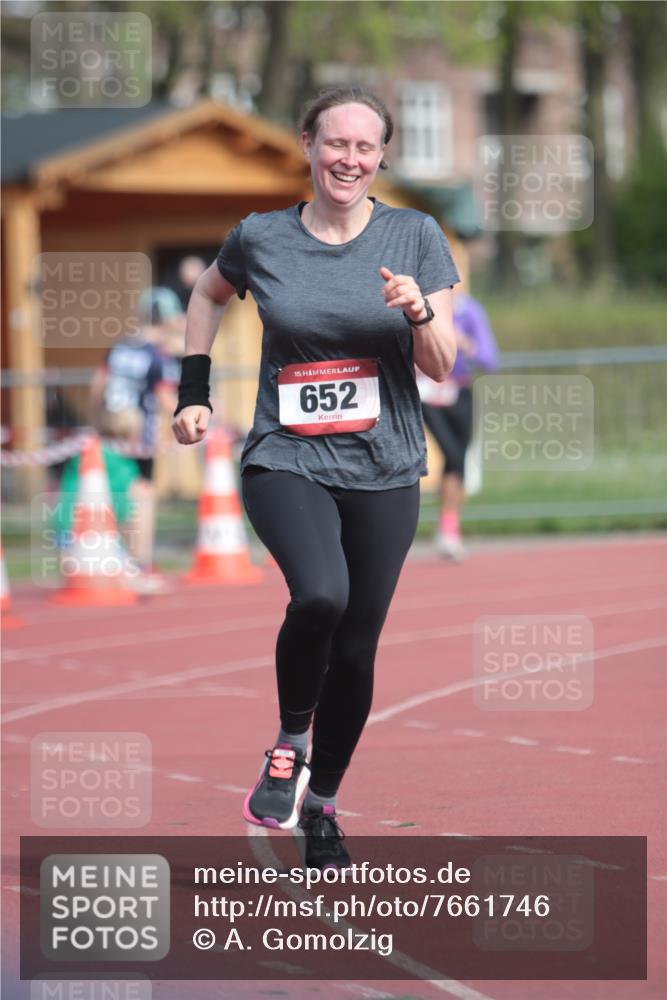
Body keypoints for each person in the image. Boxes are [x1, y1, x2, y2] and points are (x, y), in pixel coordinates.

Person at [172, 87, 459, 869]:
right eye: (336, 144)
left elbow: (442, 366)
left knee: (358, 650)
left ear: (381, 157)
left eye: (365, 148)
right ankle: (289, 741)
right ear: (307, 145)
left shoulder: (415, 234)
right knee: (320, 596)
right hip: (286, 455)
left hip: (386, 464)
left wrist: (417, 313)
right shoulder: (261, 237)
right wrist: (192, 393)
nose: (350, 160)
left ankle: (322, 804)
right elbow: (206, 294)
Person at [91, 286, 181, 588]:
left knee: (115, 496)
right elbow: (166, 398)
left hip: (110, 430)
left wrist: (97, 423)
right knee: (142, 495)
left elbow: (97, 386)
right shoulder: (158, 355)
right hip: (140, 436)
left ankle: (119, 559)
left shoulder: (120, 346)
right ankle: (138, 565)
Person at [417, 287, 499, 561]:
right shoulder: (420, 304)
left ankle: (449, 528)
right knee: (451, 454)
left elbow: (490, 360)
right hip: (428, 392)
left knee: (458, 461)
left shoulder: (471, 311)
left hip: (460, 391)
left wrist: (464, 344)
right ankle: (445, 529)